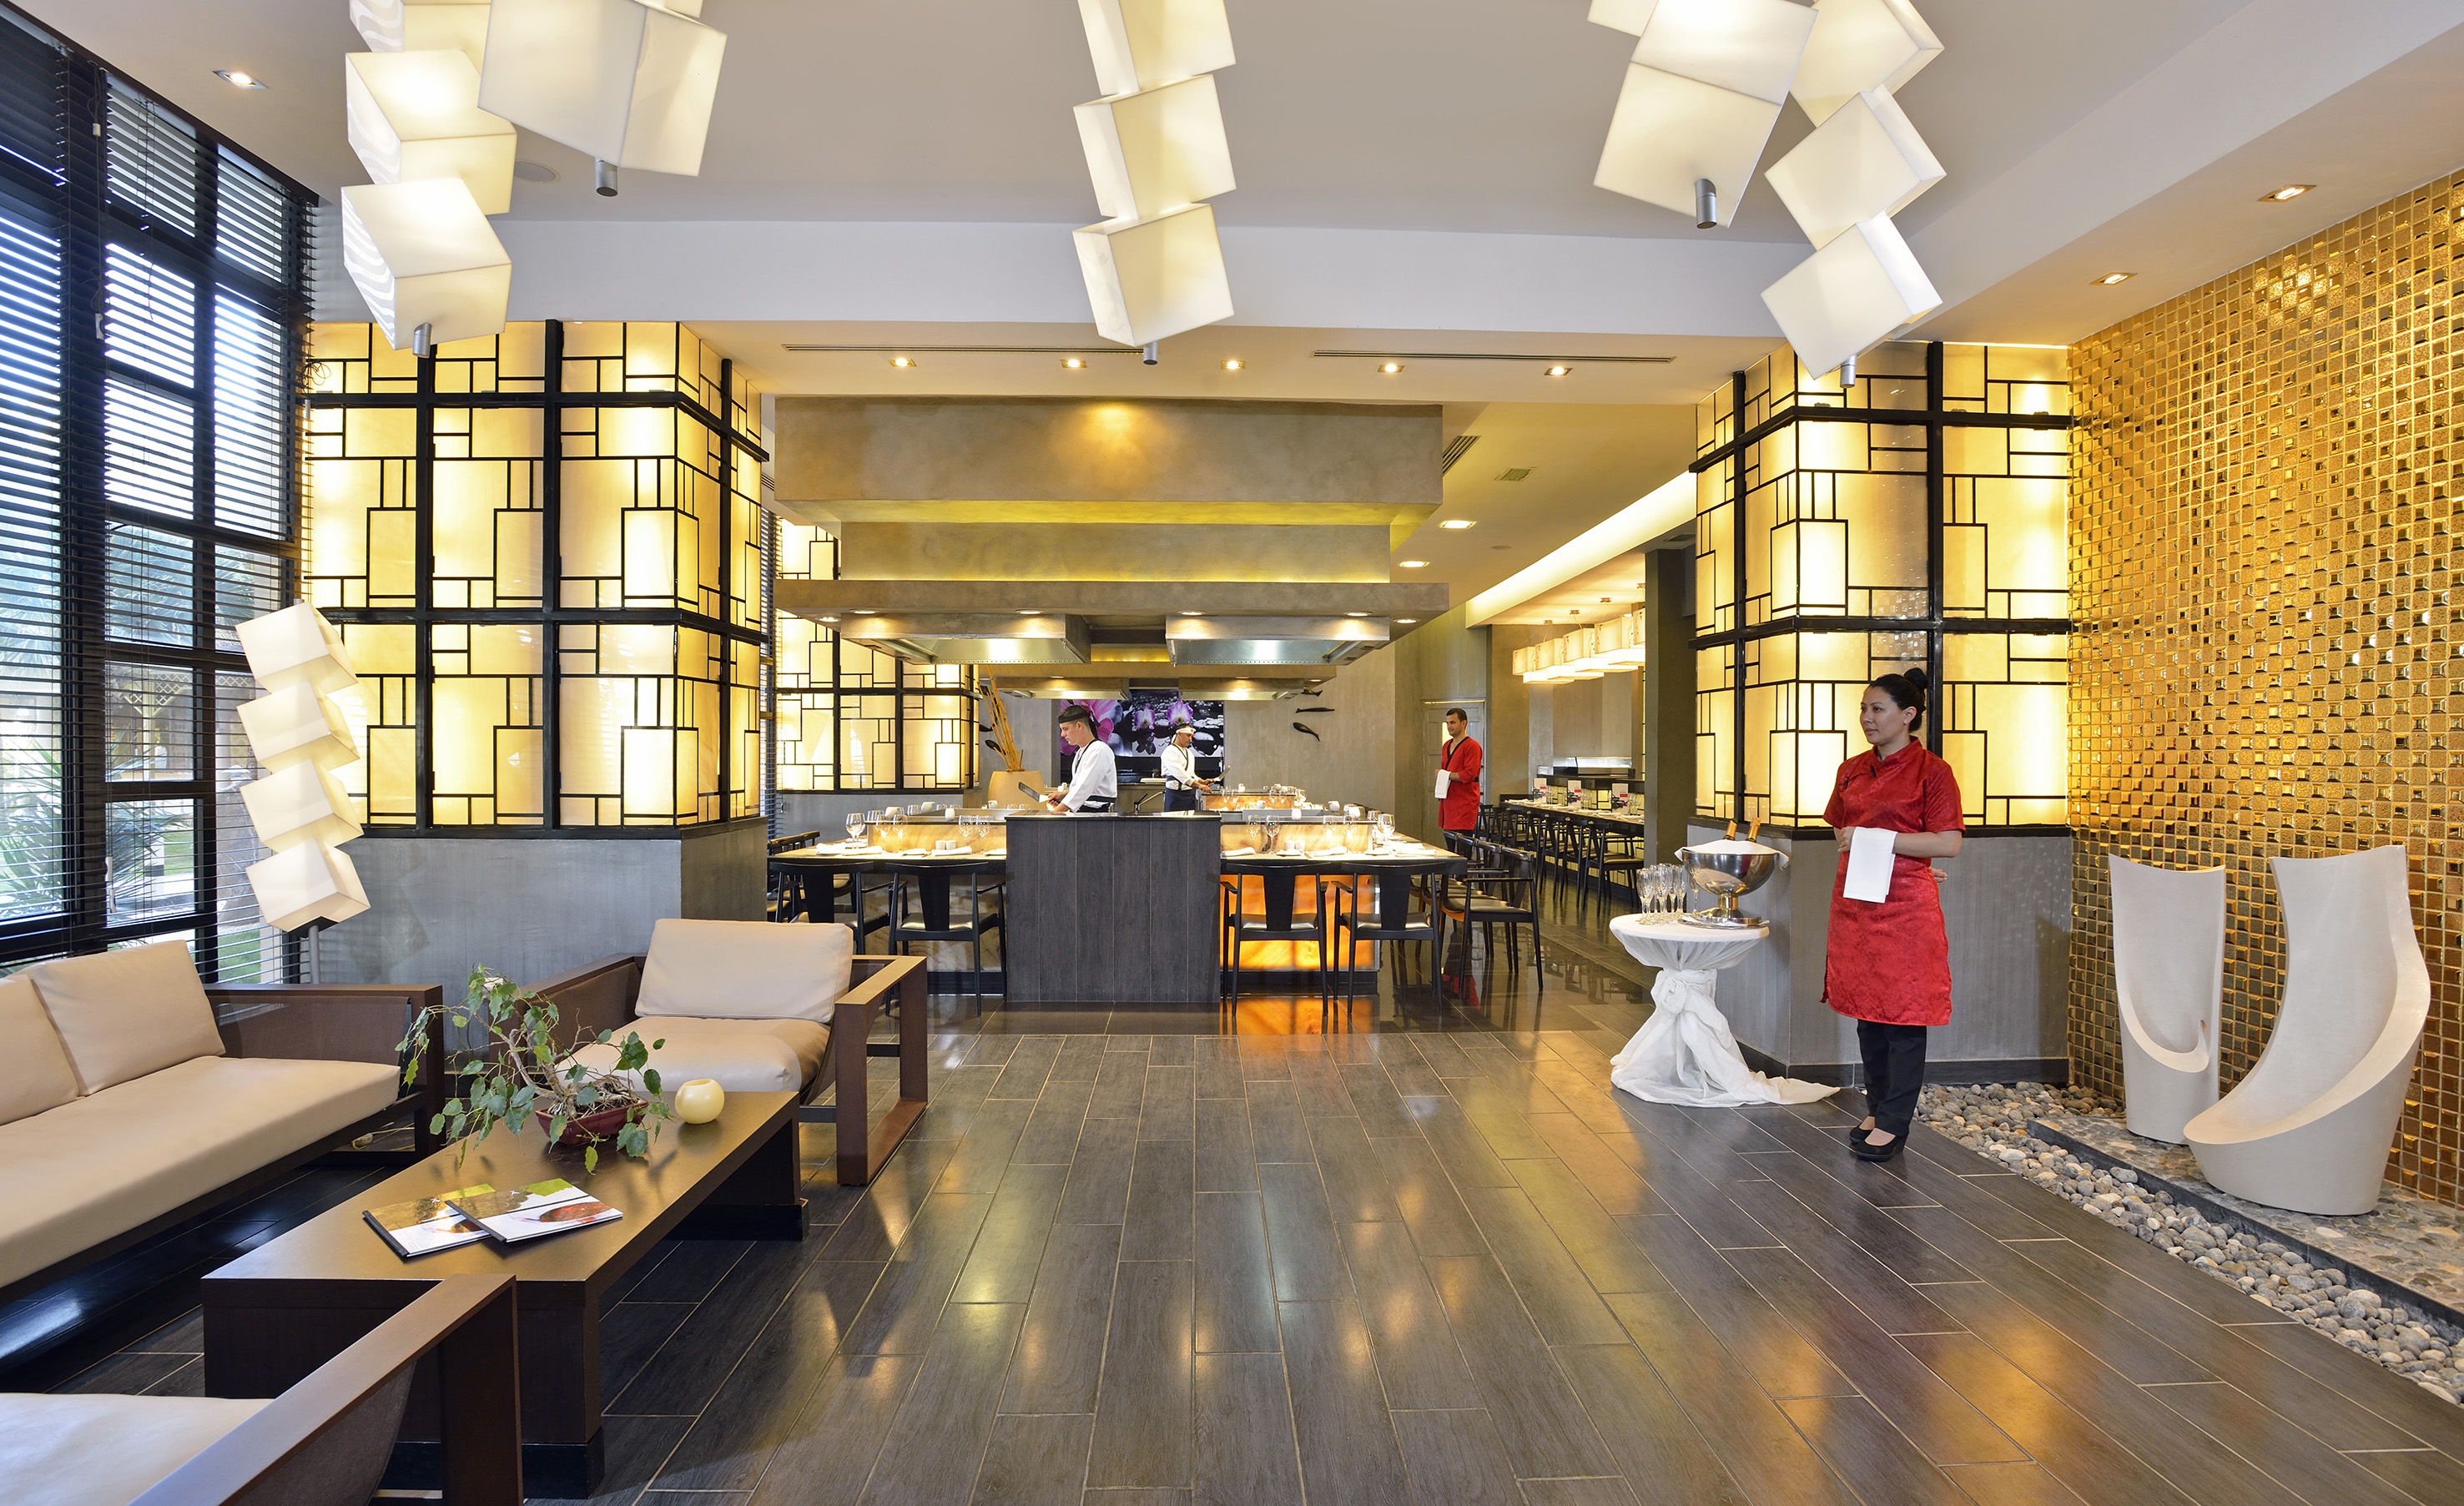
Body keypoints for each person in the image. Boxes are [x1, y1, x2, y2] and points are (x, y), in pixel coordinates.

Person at [1821, 667, 1963, 1162]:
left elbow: (1948, 842)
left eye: (1877, 709)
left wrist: (1894, 851)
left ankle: (1896, 1120)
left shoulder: (1933, 771)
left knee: (1903, 1016)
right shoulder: (1853, 768)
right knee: (1867, 1014)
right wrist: (1890, 850)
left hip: (1905, 907)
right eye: (1864, 708)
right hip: (1856, 902)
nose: (1867, 718)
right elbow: (1841, 832)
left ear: (1909, 715)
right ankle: (1878, 1107)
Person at [1044, 704, 1118, 813]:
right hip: (1083, 813)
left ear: (1079, 725)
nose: (1063, 735)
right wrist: (1064, 796)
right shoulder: (1082, 751)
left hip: (1094, 816)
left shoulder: (1099, 750)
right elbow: (1082, 789)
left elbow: (1083, 789)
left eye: (1065, 729)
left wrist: (1053, 815)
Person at [1436, 707, 1482, 834]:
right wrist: (1444, 775)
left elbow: (1469, 774)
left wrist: (1445, 774)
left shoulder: (1472, 746)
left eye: (1453, 722)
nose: (1449, 726)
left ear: (1463, 723)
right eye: (1447, 723)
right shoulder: (1446, 746)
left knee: (1463, 848)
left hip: (1464, 803)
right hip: (1448, 801)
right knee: (1449, 847)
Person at [1159, 722, 1214, 812]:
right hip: (1174, 795)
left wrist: (1202, 781)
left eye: (1191, 736)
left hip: (1188, 795)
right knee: (1173, 825)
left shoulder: (1189, 753)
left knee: (1189, 824)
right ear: (1179, 734)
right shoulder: (1169, 751)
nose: (1190, 739)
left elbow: (1190, 774)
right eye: (1188, 735)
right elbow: (1179, 773)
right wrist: (1199, 785)